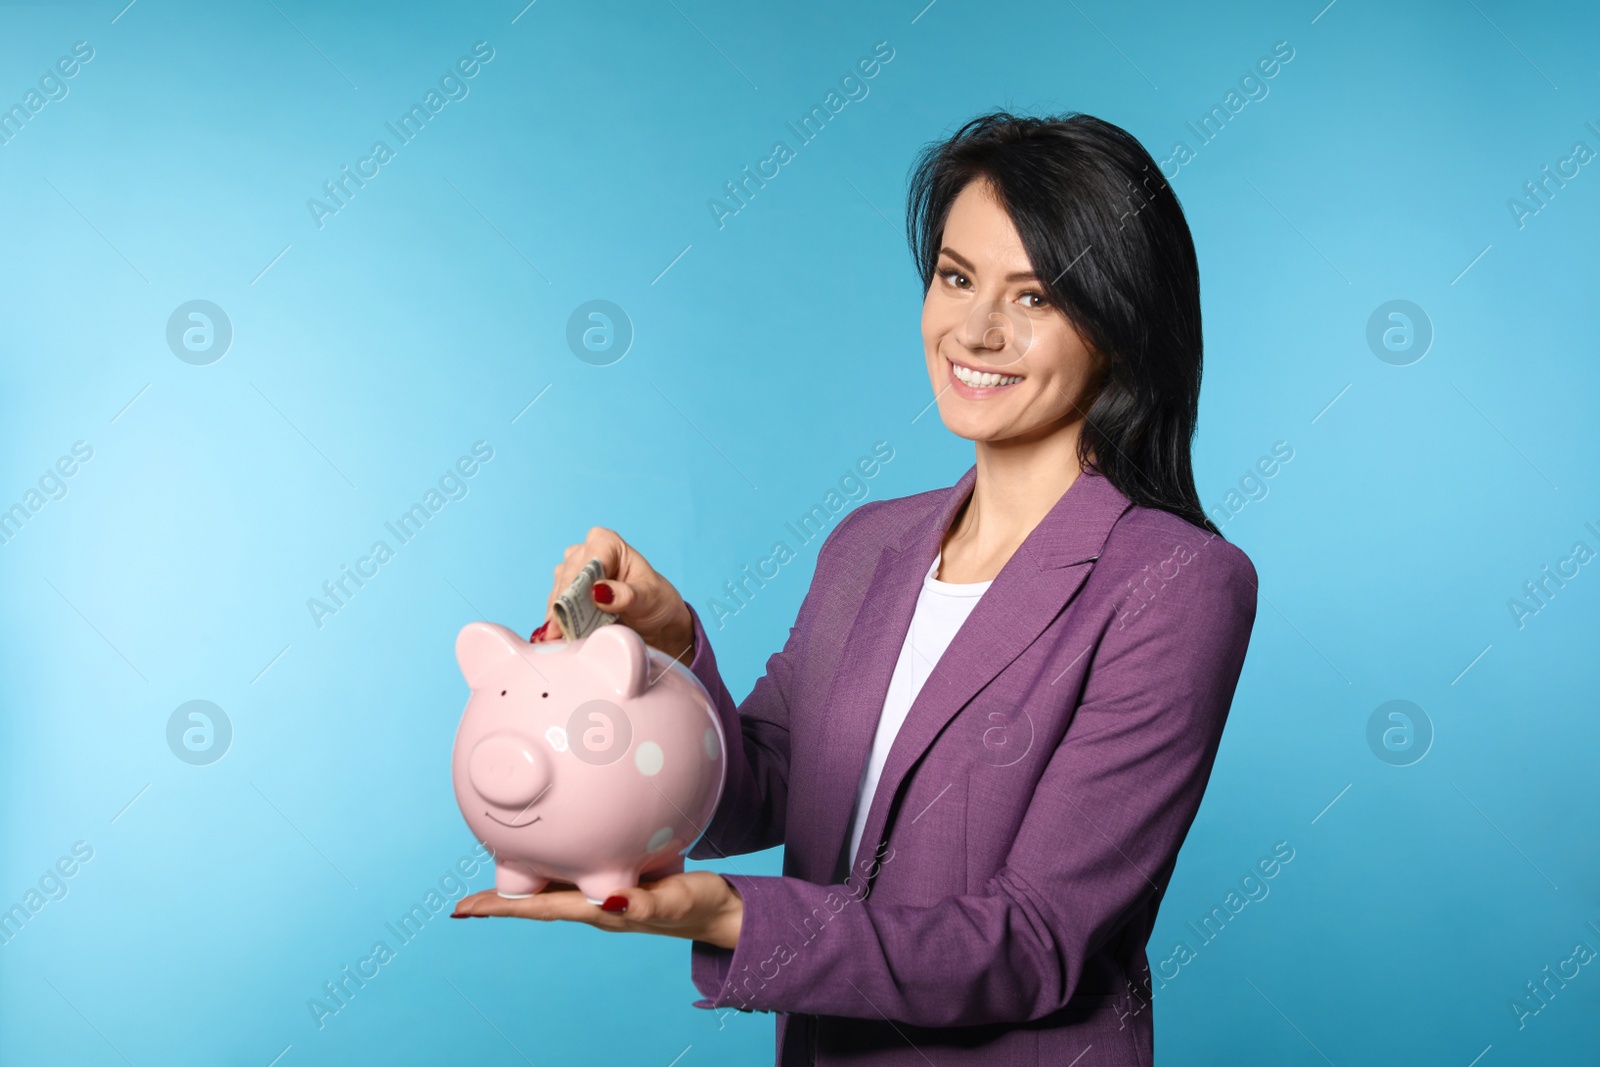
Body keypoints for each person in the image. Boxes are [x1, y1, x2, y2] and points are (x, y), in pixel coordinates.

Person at [453, 110, 1258, 1066]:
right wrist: (668, 652)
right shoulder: (868, 543)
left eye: (1035, 297)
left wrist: (728, 916)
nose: (977, 330)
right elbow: (751, 798)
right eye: (956, 277)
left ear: (1120, 325)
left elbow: (1035, 942)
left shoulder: (1177, 582)